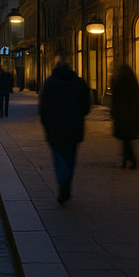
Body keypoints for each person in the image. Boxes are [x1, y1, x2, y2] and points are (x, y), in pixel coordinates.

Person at [39, 55, 91, 204]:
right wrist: (79, 115)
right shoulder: (78, 82)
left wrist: (46, 124)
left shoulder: (50, 83)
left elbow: (43, 108)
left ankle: (63, 185)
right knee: (70, 157)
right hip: (74, 126)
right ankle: (66, 183)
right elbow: (86, 106)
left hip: (55, 127)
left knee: (58, 157)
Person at [109, 64, 139, 169]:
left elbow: (115, 100)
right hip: (131, 116)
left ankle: (131, 159)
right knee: (126, 140)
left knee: (126, 140)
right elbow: (138, 102)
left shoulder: (120, 83)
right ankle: (126, 159)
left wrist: (114, 112)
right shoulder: (133, 83)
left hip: (122, 115)